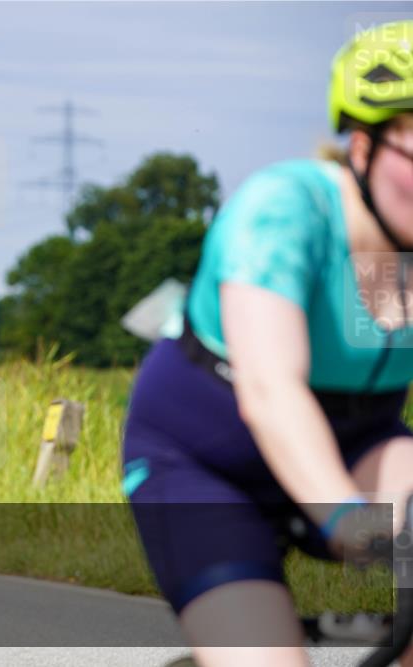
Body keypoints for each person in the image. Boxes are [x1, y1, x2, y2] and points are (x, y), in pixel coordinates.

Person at [122, 20, 413, 667]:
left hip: (359, 442)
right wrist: (347, 520)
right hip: (204, 462)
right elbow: (271, 390)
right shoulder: (284, 211)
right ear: (361, 148)